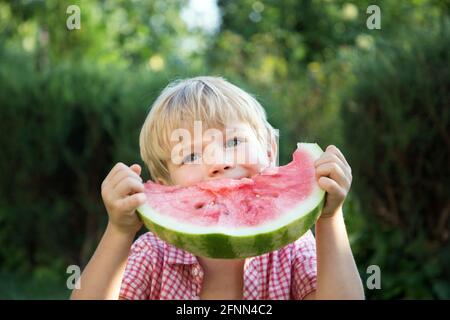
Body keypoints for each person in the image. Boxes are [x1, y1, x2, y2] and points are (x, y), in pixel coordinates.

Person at [71, 76, 364, 300]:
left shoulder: (293, 249)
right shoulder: (152, 255)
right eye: (191, 156)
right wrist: (119, 231)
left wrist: (328, 217)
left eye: (234, 142)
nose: (218, 163)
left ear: (270, 150)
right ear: (165, 186)